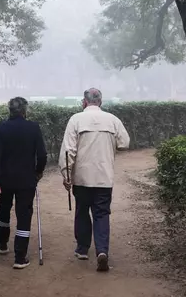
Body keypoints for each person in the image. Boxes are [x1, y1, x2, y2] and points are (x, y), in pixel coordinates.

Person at [58, 88, 130, 272]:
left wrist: (66, 175)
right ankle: (102, 251)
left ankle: (82, 249)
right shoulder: (112, 120)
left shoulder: (76, 119)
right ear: (101, 101)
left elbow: (68, 151)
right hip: (104, 178)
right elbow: (125, 143)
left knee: (82, 211)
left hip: (82, 178)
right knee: (101, 214)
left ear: (84, 102)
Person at [0, 96, 48, 269]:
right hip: (26, 179)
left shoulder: (1, 128)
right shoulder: (33, 128)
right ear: (24, 110)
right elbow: (42, 155)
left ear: (10, 110)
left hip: (5, 179)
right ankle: (20, 257)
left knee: (4, 209)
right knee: (23, 214)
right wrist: (38, 172)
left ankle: (2, 243)